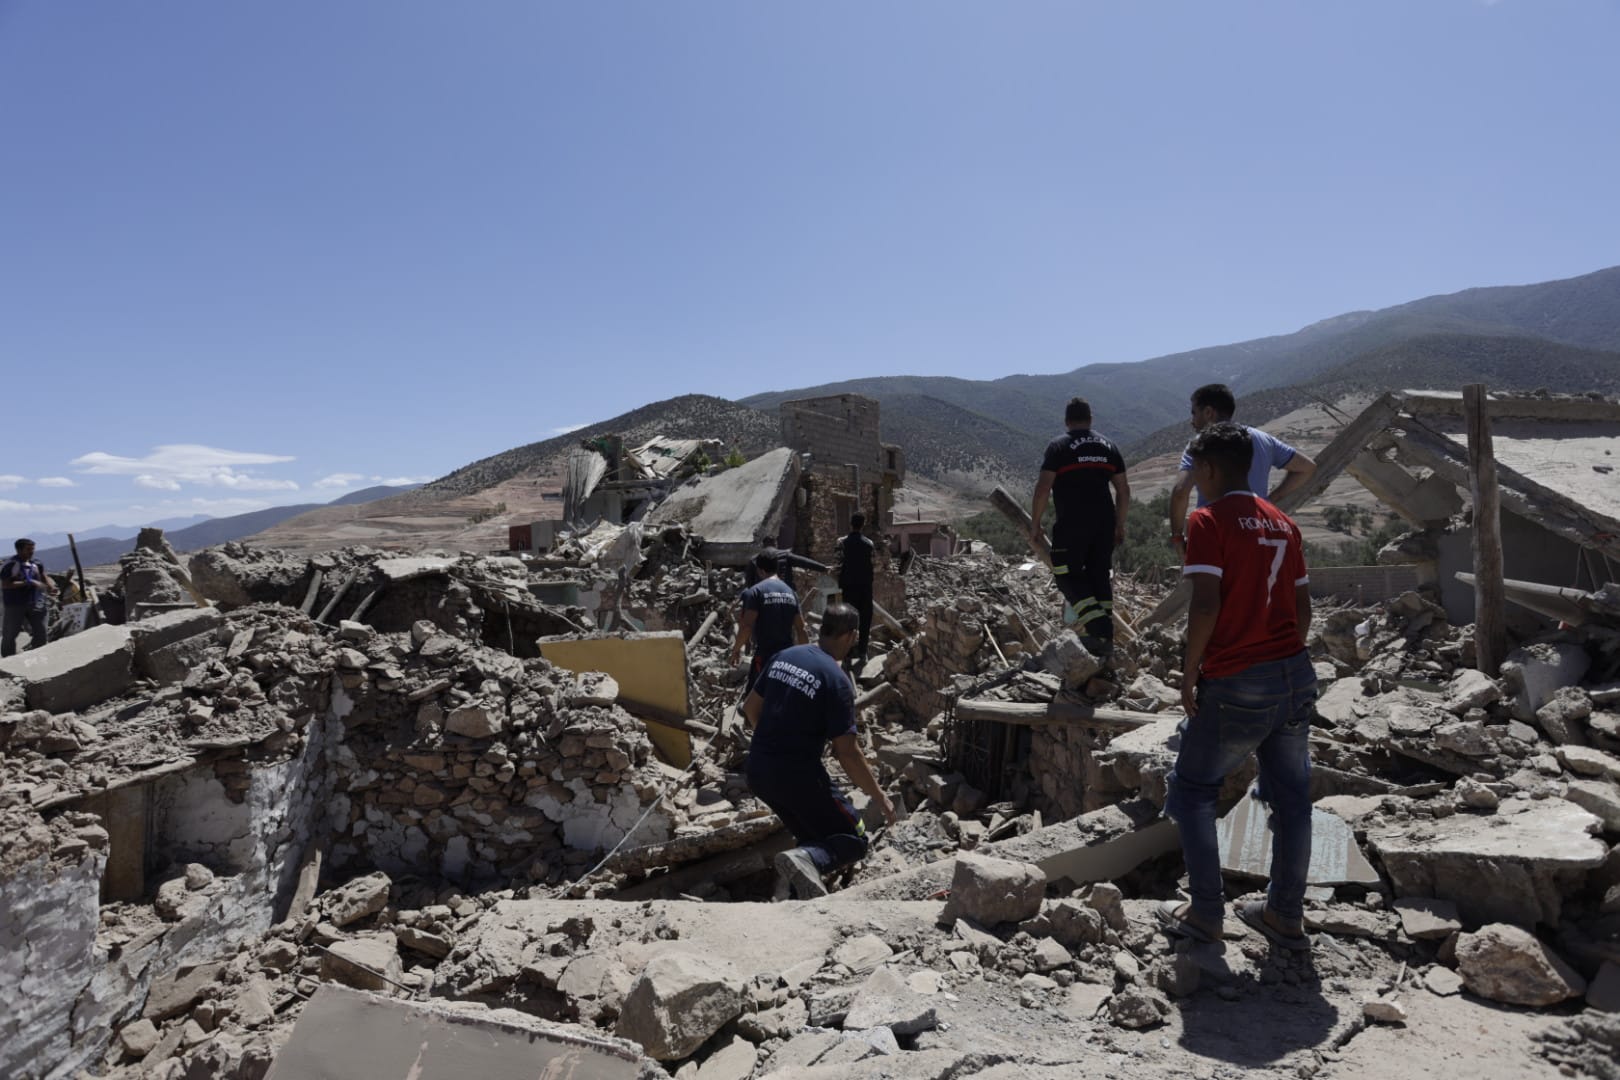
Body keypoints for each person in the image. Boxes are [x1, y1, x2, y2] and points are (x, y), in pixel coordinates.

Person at [1158, 422, 1316, 952]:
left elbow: (1205, 603)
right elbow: (1302, 609)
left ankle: (1206, 912)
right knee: (1293, 799)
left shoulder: (1208, 520)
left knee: (1191, 791)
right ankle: (1284, 914)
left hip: (1237, 680)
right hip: (1293, 673)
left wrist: (1189, 672)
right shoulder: (1282, 524)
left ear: (1206, 469)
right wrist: (1283, 657)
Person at [744, 602, 900, 898]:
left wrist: (771, 740)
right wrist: (879, 797)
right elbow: (848, 754)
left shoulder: (784, 656)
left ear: (822, 627)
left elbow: (750, 708)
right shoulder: (837, 681)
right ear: (852, 636)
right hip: (798, 776)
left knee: (812, 835)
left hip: (758, 770)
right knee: (853, 838)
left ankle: (793, 895)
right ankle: (806, 865)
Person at [1169, 384, 1316, 558]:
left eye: (1194, 413)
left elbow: (1180, 492)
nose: (1191, 421)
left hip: (1213, 531)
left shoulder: (1201, 443)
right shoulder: (1263, 439)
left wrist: (1178, 537)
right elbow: (1307, 467)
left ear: (1209, 412)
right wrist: (1271, 500)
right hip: (1256, 532)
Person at [1030, 397, 1130, 650]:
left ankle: (1101, 630)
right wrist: (1120, 523)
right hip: (1104, 523)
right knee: (1098, 576)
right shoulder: (1109, 445)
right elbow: (1123, 490)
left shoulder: (1059, 446)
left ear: (1067, 421)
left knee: (1065, 575)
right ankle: (1102, 639)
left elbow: (1043, 489)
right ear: (1090, 420)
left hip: (1072, 523)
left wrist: (1035, 523)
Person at [730, 548, 809, 694]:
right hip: (787, 659)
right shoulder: (791, 593)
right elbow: (801, 628)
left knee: (752, 703)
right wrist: (806, 659)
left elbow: (746, 626)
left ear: (760, 570)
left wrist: (736, 650)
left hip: (765, 657)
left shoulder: (755, 592)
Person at [2, 538, 56, 657]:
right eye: (28, 549)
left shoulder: (36, 562)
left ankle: (39, 656)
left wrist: (51, 586)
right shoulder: (11, 564)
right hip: (15, 604)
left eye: (32, 549)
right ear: (19, 550)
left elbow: (42, 575)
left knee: (41, 631)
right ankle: (8, 662)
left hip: (36, 602)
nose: (31, 552)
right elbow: (5, 584)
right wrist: (28, 583)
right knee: (10, 634)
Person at [835, 513, 876, 667]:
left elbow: (837, 565)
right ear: (863, 525)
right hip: (865, 588)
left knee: (847, 620)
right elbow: (874, 564)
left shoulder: (841, 543)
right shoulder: (869, 544)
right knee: (865, 620)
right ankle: (863, 652)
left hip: (847, 588)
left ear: (850, 524)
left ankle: (846, 654)